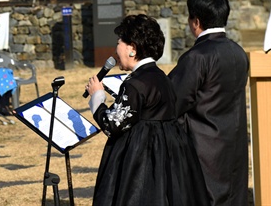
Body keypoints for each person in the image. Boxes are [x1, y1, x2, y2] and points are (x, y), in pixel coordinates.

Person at [86, 14, 208, 205]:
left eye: (119, 42)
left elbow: (111, 125)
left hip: (141, 161)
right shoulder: (161, 77)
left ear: (132, 49)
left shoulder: (136, 84)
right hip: (170, 159)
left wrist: (97, 98)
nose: (116, 49)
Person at [168, 0, 249, 206]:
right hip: (234, 145)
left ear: (195, 21)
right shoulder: (238, 52)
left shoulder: (197, 57)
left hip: (203, 150)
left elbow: (172, 103)